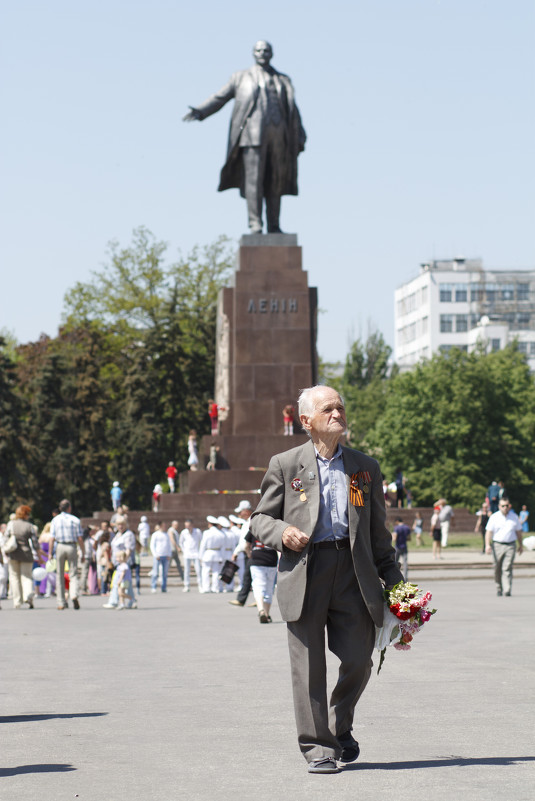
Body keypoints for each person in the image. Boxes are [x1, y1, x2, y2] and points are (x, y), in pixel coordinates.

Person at [250, 385, 403, 774]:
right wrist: (282, 532)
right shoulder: (286, 464)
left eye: (340, 407)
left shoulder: (363, 468)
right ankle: (319, 748)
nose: (338, 414)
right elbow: (259, 519)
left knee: (358, 659)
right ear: (306, 421)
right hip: (305, 570)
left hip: (353, 573)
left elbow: (377, 533)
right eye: (328, 409)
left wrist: (397, 586)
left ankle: (338, 727)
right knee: (308, 666)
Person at [184, 40, 306, 234]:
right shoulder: (240, 77)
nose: (262, 53)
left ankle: (274, 225)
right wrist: (200, 111)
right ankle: (255, 223)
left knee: (275, 181)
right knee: (254, 181)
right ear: (253, 53)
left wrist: (300, 133)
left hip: (279, 136)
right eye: (259, 50)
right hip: (252, 136)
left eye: (266, 50)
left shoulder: (284, 80)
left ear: (272, 54)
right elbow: (220, 97)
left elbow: (293, 110)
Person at [49, 499, 85, 610]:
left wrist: (50, 553)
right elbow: (79, 537)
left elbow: (52, 538)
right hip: (71, 546)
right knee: (73, 573)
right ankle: (74, 594)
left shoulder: (55, 520)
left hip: (60, 546)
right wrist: (83, 551)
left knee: (60, 574)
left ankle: (61, 602)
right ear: (69, 508)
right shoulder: (75, 520)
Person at [5, 505, 42, 609]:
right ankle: (27, 595)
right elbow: (35, 543)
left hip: (13, 553)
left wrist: (5, 550)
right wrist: (39, 556)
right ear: (26, 514)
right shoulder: (30, 526)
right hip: (26, 554)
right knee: (26, 576)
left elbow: (5, 538)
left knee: (14, 577)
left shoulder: (11, 525)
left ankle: (17, 601)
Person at [485, 498, 523, 596]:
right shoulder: (494, 517)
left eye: (507, 505)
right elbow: (489, 531)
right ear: (499, 506)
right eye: (503, 506)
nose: (505, 508)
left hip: (510, 545)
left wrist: (520, 545)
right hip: (497, 545)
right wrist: (487, 545)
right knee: (497, 567)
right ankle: (499, 587)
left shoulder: (514, 517)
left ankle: (507, 589)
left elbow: (518, 532)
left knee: (507, 567)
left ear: (509, 506)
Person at [244, 525, 278, 623]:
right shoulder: (273, 528)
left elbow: (246, 546)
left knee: (258, 586)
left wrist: (249, 554)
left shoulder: (253, 528)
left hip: (257, 560)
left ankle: (261, 610)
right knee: (269, 588)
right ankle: (267, 614)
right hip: (271, 560)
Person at [229, 500, 253, 607]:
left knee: (250, 576)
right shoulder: (246, 522)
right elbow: (242, 541)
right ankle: (259, 598)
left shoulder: (252, 521)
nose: (239, 514)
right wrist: (236, 552)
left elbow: (245, 541)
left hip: (252, 553)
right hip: (248, 552)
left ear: (246, 511)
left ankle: (242, 599)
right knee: (251, 576)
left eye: (240, 512)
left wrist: (236, 552)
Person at [199, 516, 225, 594]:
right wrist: (222, 558)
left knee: (205, 571)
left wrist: (200, 556)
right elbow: (223, 547)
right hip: (217, 553)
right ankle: (215, 588)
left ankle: (206, 588)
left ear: (209, 524)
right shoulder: (221, 533)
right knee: (216, 572)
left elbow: (203, 545)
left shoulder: (207, 532)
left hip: (208, 553)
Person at [179, 519, 202, 593]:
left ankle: (200, 585)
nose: (187, 527)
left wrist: (200, 552)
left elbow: (201, 541)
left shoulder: (197, 531)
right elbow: (181, 542)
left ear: (192, 525)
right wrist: (184, 550)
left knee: (198, 570)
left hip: (196, 553)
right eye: (186, 526)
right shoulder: (184, 532)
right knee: (187, 571)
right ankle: (186, 586)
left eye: (188, 526)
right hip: (187, 554)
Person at [150, 524, 172, 593]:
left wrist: (169, 554)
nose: (164, 527)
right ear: (159, 526)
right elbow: (152, 545)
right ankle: (153, 586)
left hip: (165, 555)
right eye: (163, 526)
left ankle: (164, 587)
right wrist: (155, 554)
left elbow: (169, 545)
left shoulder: (166, 535)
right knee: (155, 572)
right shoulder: (155, 535)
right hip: (158, 555)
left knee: (164, 573)